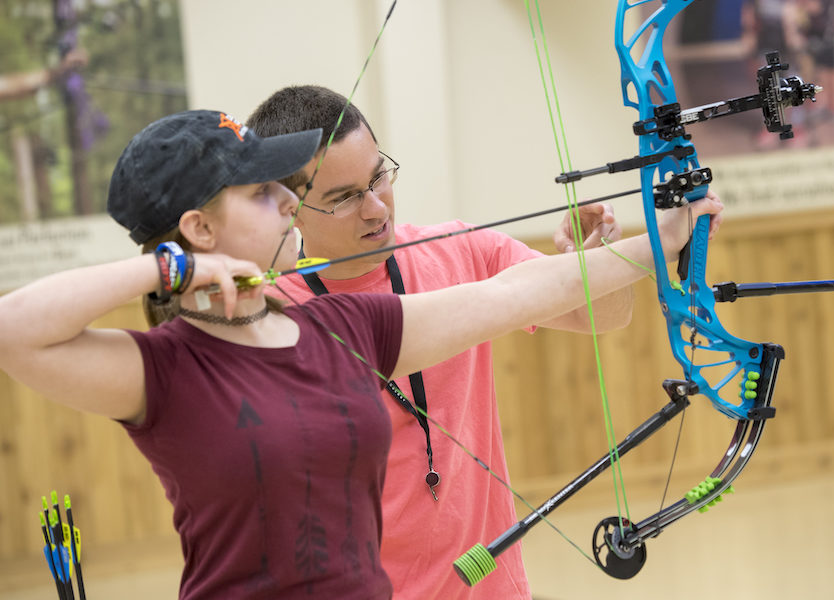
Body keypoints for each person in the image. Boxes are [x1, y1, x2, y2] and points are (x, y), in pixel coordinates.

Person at [0, 109, 722, 599]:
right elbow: (14, 331)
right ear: (198, 227)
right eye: (260, 193)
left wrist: (666, 231)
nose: (288, 202)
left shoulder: (345, 325)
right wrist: (167, 271)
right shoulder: (162, 370)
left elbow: (518, 295)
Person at [246, 85, 635, 599]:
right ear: (287, 211)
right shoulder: (265, 318)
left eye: (378, 176)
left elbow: (603, 315)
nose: (375, 208)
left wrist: (595, 260)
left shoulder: (461, 249)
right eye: (343, 198)